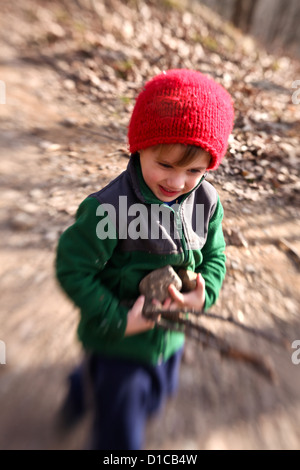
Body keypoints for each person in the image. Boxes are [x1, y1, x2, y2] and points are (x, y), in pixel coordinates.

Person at [55, 68, 234, 450]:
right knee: (121, 433)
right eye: (165, 164)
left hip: (170, 337)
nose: (178, 182)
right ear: (139, 148)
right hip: (118, 343)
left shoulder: (207, 203)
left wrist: (206, 293)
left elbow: (215, 255)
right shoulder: (108, 209)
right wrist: (118, 319)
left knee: (156, 396)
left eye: (194, 170)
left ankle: (82, 384)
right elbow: (72, 267)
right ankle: (85, 391)